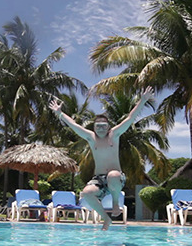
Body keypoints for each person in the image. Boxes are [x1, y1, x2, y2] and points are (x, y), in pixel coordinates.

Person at [49, 87, 154, 230]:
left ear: (108, 127)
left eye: (103, 126)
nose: (100, 129)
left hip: (116, 178)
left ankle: (116, 203)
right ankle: (106, 218)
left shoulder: (115, 134)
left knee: (113, 175)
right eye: (97, 126)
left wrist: (142, 101)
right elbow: (74, 125)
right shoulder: (91, 138)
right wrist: (60, 113)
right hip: (98, 178)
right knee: (86, 193)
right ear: (94, 127)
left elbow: (130, 118)